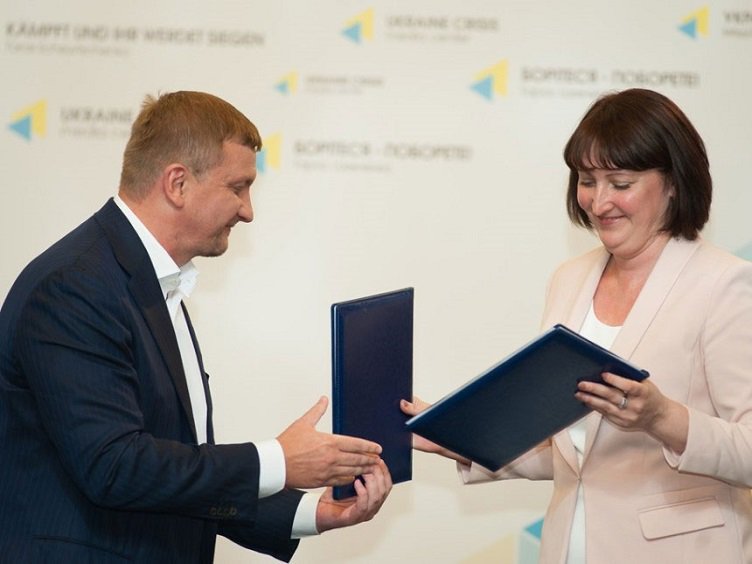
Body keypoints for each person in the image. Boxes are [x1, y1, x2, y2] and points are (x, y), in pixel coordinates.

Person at [0, 90, 392, 563]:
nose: (248, 210)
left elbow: (172, 470)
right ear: (178, 184)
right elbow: (115, 467)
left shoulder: (149, 281)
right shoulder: (75, 285)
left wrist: (313, 513)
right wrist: (278, 461)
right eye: (238, 187)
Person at [402, 88, 752, 563]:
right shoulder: (570, 279)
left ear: (673, 182)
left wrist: (661, 418)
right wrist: (458, 437)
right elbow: (577, 452)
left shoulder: (724, 284)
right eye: (587, 181)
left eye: (620, 183)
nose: (598, 202)